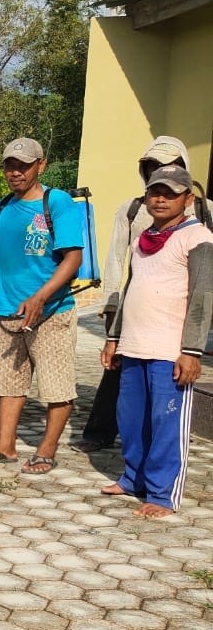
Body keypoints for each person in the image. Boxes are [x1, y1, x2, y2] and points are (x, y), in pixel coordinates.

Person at [0, 138, 83, 474]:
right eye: (10, 165)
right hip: (8, 312)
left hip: (52, 313)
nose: (15, 172)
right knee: (8, 384)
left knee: (56, 386)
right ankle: (4, 446)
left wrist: (41, 295)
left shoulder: (58, 202)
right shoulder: (4, 206)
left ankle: (46, 450)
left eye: (23, 165)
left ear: (42, 164)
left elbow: (73, 259)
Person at [101, 165, 213, 518]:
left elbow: (203, 297)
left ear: (188, 199)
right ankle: (133, 478)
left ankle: (163, 495)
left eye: (171, 193)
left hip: (170, 351)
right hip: (134, 345)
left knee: (167, 424)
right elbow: (131, 288)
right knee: (131, 419)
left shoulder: (198, 239)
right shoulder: (142, 239)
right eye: (155, 192)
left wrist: (191, 351)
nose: (161, 198)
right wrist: (113, 337)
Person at [76, 136, 192, 453]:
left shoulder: (203, 213)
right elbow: (115, 259)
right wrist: (111, 305)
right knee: (119, 369)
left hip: (178, 307)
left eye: (168, 167)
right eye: (153, 167)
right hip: (135, 303)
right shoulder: (133, 210)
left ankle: (168, 434)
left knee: (172, 371)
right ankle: (100, 432)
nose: (160, 174)